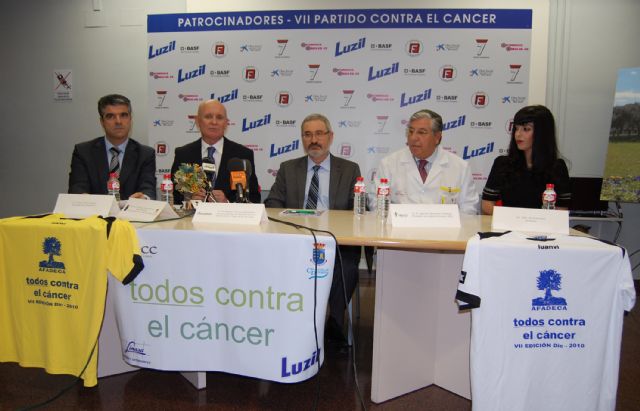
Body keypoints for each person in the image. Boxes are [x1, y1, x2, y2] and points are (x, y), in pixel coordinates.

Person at [265, 113, 361, 348]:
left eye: (319, 133)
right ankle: (290, 321)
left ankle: (335, 323)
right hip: (297, 240)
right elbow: (273, 204)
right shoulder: (288, 168)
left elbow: (356, 208)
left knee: (346, 266)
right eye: (307, 135)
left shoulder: (349, 169)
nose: (313, 140)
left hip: (336, 241)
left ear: (330, 137)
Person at [378, 109, 479, 214]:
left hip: (444, 229)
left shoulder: (460, 167)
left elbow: (469, 208)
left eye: (421, 132)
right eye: (411, 131)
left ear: (437, 137)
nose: (413, 138)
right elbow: (377, 204)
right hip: (399, 228)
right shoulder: (388, 164)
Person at [481, 105, 571, 215]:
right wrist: (515, 219)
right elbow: (487, 205)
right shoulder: (502, 164)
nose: (518, 134)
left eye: (526, 129)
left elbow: (561, 211)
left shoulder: (557, 168)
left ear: (542, 133)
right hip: (508, 228)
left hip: (541, 230)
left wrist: (531, 221)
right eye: (516, 128)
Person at [170, 99, 260, 204]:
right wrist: (189, 201)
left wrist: (227, 203)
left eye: (219, 117)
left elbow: (254, 198)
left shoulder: (242, 155)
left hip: (228, 219)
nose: (214, 122)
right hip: (193, 219)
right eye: (208, 117)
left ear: (226, 123)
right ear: (198, 121)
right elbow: (175, 197)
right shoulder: (183, 154)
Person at [68, 94, 156, 199]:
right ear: (102, 122)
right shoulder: (83, 152)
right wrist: (83, 198)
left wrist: (144, 198)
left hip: (131, 213)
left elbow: (148, 188)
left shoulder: (145, 154)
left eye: (123, 115)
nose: (118, 121)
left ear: (130, 119)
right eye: (110, 116)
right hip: (95, 213)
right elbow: (77, 187)